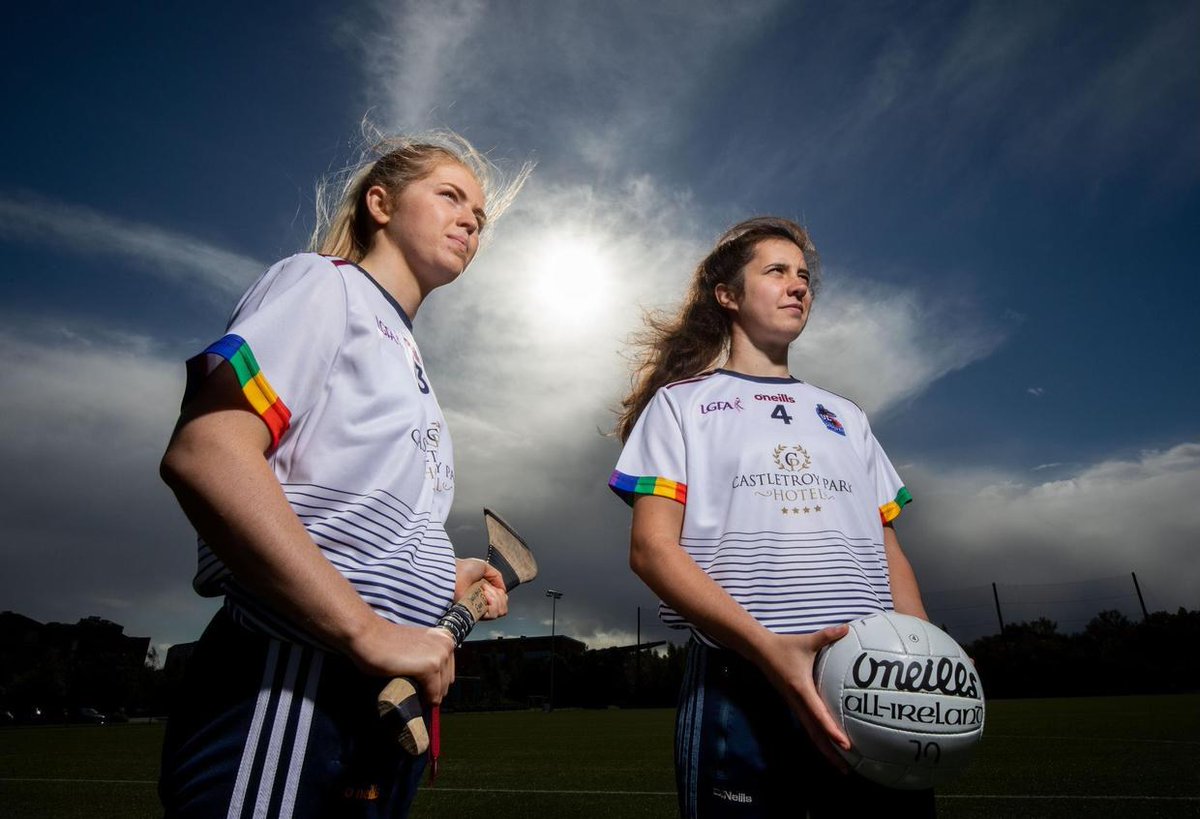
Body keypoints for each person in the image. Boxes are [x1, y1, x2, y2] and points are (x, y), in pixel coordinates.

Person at [159, 129, 530, 818]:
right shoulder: (322, 285)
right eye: (451, 196)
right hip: (292, 683)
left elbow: (340, 518)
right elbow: (208, 450)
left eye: (478, 217)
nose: (470, 221)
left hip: (374, 709)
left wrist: (438, 574)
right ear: (380, 203)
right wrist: (365, 627)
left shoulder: (407, 354)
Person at [609, 217, 935, 817]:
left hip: (873, 685)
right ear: (728, 296)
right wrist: (770, 650)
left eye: (804, 276)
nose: (798, 286)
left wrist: (925, 653)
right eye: (777, 272)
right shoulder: (682, 406)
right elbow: (652, 550)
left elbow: (888, 551)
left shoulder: (846, 416)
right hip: (740, 684)